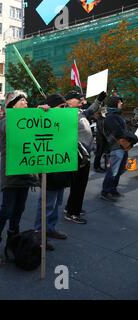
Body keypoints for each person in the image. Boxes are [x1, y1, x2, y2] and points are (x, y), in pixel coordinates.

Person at [0, 91, 42, 266]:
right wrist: (35, 113)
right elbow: (13, 129)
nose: (26, 102)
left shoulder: (27, 121)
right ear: (12, 104)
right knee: (6, 210)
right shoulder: (6, 121)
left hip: (26, 172)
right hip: (11, 173)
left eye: (27, 99)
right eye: (22, 100)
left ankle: (12, 243)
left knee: (18, 211)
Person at [63, 90, 106, 224]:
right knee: (79, 185)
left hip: (84, 155)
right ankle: (72, 213)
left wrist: (99, 100)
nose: (82, 101)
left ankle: (71, 207)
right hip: (77, 155)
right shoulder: (66, 114)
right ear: (69, 101)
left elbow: (91, 110)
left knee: (80, 185)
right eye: (78, 99)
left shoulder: (78, 112)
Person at [33, 94, 72, 242]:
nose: (64, 109)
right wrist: (38, 112)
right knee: (46, 204)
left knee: (57, 203)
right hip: (49, 170)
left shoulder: (64, 120)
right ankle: (38, 235)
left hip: (62, 168)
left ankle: (50, 229)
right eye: (61, 107)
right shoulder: (42, 120)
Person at [100, 96, 138, 201]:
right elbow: (118, 132)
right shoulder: (111, 117)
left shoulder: (116, 115)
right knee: (113, 170)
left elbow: (123, 129)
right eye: (120, 102)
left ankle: (112, 189)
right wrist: (133, 137)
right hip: (116, 147)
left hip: (122, 147)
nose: (122, 103)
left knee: (120, 169)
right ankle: (105, 191)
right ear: (115, 103)